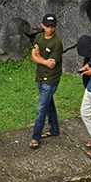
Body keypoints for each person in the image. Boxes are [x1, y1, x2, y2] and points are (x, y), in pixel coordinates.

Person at [29, 13, 63, 149]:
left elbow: (51, 64)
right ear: (42, 25)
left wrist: (39, 57)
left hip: (51, 78)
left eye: (52, 27)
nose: (50, 29)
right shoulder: (38, 37)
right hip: (40, 76)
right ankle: (54, 129)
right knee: (49, 104)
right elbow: (33, 56)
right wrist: (41, 58)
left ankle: (35, 137)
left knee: (41, 108)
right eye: (47, 26)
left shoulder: (57, 42)